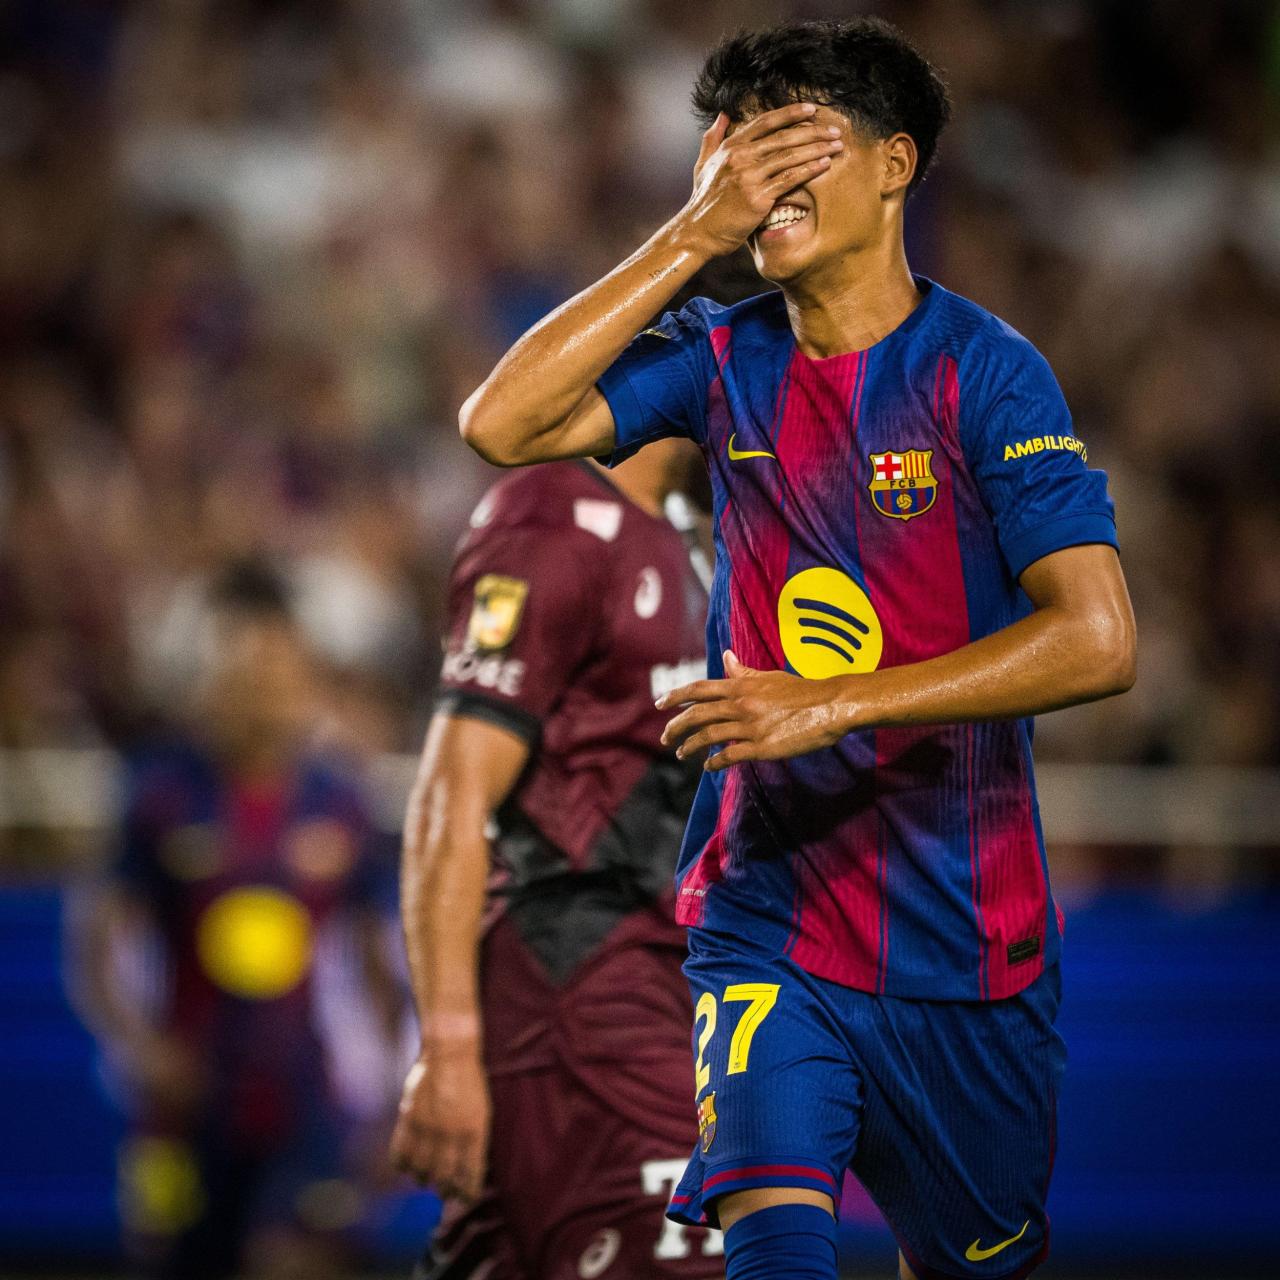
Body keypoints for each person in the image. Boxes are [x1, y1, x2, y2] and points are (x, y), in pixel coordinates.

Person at [453, 17, 1137, 1280]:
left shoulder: (986, 374)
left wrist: (834, 707)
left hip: (964, 939)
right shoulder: (721, 356)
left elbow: (1097, 639)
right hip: (763, 917)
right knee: (773, 1258)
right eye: (740, 152)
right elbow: (500, 420)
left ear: (894, 164)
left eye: (796, 143)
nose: (763, 182)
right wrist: (689, 236)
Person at [390, 440, 722, 1279]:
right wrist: (450, 1046)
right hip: (577, 1007)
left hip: (651, 1003)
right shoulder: (554, 519)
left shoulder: (690, 545)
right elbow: (453, 790)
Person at [76, 563, 401, 1280]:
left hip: (306, 1096)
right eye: (243, 673)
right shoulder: (160, 792)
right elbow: (98, 937)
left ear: (306, 684)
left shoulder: (340, 802)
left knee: (290, 1259)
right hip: (186, 1104)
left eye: (279, 674)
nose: (262, 691)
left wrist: (393, 1095)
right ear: (209, 682)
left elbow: (379, 958)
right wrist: (139, 1048)